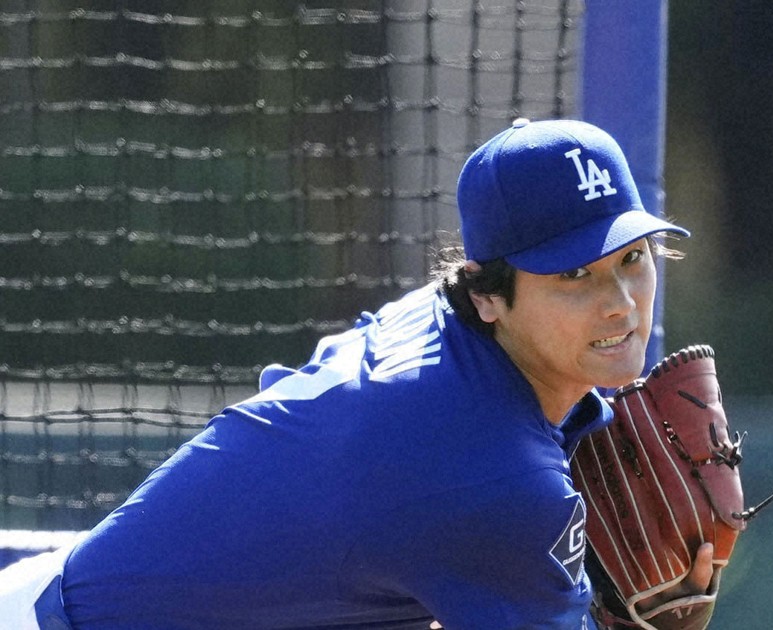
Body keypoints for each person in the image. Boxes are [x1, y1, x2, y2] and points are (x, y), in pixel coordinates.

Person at [5, 118, 713, 628]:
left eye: (632, 258)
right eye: (574, 276)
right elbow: (465, 491)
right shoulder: (493, 478)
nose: (621, 304)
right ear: (489, 293)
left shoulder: (435, 325)